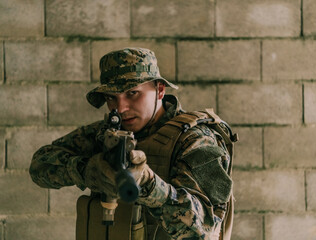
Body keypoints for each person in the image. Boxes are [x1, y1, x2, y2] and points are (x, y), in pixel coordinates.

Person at [30, 47, 236, 240]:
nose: (120, 108)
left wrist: (149, 184)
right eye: (111, 97)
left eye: (132, 93)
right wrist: (85, 170)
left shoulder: (194, 139)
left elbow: (206, 231)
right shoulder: (108, 133)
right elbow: (39, 166)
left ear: (160, 90)